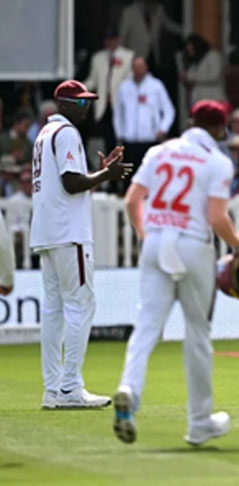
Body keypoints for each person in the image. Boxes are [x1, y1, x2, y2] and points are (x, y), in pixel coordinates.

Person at [113, 100, 239, 446]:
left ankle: (129, 390)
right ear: (219, 130)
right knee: (198, 334)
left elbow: (132, 201)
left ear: (191, 121)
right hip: (193, 245)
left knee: (146, 326)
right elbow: (217, 218)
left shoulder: (159, 152)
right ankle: (199, 422)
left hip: (156, 241)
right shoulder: (217, 161)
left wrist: (150, 237)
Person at [30, 80, 131, 409]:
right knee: (80, 304)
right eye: (81, 103)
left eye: (87, 103)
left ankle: (52, 388)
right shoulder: (67, 133)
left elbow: (66, 180)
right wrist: (107, 175)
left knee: (54, 309)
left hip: (46, 231)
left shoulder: (44, 135)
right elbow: (72, 183)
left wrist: (100, 171)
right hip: (68, 232)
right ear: (64, 104)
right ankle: (70, 387)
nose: (86, 109)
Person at [114, 56, 175, 193]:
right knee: (129, 178)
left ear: (146, 67)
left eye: (141, 67)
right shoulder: (125, 87)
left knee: (151, 176)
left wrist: (162, 129)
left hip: (150, 139)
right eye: (135, 67)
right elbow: (118, 113)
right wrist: (120, 133)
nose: (138, 70)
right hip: (129, 140)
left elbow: (169, 110)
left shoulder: (156, 86)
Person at [83, 27, 135, 153]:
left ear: (118, 40)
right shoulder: (98, 58)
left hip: (120, 102)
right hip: (103, 104)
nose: (111, 43)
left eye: (113, 40)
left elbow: (130, 79)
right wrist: (78, 88)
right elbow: (93, 80)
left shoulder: (128, 56)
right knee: (107, 137)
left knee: (123, 136)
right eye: (108, 40)